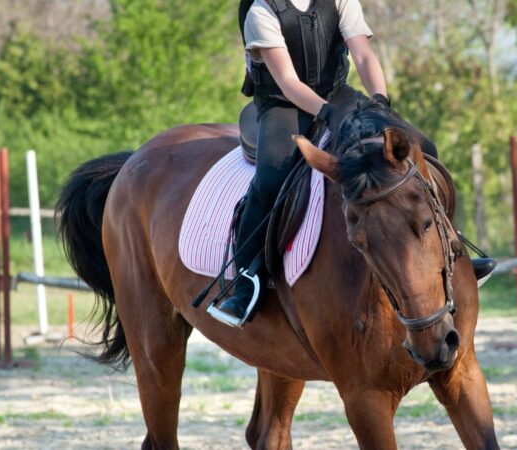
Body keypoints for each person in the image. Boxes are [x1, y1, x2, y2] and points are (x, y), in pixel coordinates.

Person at [211, 0, 494, 327]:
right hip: (282, 105)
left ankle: (449, 245)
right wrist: (328, 114)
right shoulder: (261, 10)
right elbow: (288, 82)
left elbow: (362, 55)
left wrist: (379, 101)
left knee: (423, 147)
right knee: (271, 179)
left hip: (339, 94)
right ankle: (246, 279)